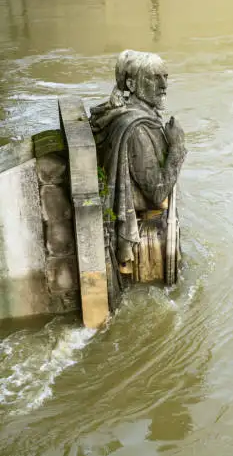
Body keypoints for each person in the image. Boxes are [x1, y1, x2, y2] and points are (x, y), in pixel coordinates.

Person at [89, 50, 187, 300]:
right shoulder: (138, 132)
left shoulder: (131, 118)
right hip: (145, 241)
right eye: (154, 78)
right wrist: (177, 148)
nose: (164, 85)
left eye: (165, 76)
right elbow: (156, 192)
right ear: (131, 84)